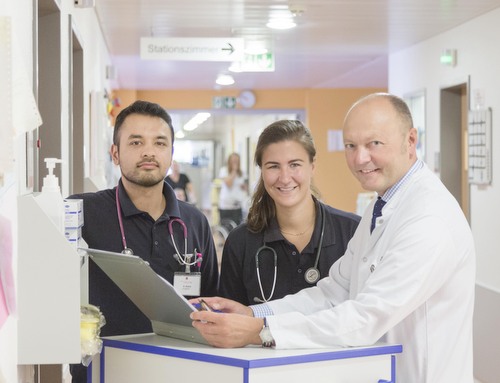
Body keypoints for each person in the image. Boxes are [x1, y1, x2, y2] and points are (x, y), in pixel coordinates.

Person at [190, 93, 476, 383]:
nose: (360, 158)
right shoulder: (381, 208)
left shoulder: (429, 218)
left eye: (374, 143)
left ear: (410, 141)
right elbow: (332, 292)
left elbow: (365, 319)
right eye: (351, 145)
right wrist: (253, 313)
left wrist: (261, 330)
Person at [67, 100, 219, 382]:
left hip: (179, 369)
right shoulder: (81, 213)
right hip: (104, 370)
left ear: (171, 154)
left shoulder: (194, 222)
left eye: (160, 143)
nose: (149, 152)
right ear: (115, 153)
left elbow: (211, 301)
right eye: (136, 142)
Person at [218, 120, 360, 305]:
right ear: (262, 170)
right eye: (273, 166)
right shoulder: (240, 243)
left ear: (312, 166)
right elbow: (231, 321)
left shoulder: (353, 232)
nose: (285, 178)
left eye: (294, 164)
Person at [217, 152, 247, 225]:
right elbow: (229, 184)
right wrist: (234, 171)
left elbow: (246, 188)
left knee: (236, 228)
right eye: (233, 160)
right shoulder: (224, 170)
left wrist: (243, 186)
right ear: (229, 161)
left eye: (236, 160)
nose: (235, 162)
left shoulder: (242, 172)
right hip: (226, 205)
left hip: (237, 205)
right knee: (225, 228)